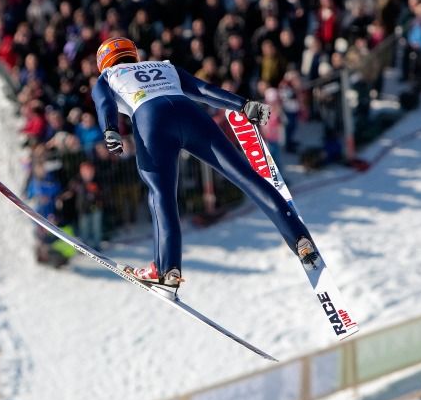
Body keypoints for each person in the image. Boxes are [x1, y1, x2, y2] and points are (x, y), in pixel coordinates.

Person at [90, 37, 318, 288]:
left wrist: (110, 130)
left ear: (104, 63)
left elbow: (104, 104)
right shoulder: (164, 66)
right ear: (134, 54)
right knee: (245, 175)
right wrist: (243, 105)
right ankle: (300, 239)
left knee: (161, 195)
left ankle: (168, 270)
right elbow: (204, 90)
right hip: (191, 114)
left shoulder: (108, 76)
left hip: (151, 121)